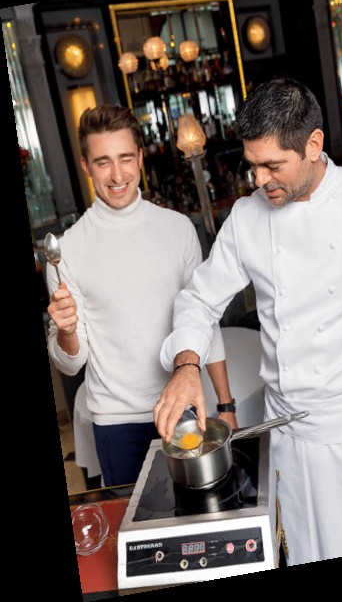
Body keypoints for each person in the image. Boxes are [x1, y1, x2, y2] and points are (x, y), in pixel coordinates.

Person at [154, 78, 342, 566]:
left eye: (272, 165)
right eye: (252, 165)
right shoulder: (246, 217)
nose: (259, 180)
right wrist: (186, 364)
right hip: (286, 439)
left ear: (314, 144)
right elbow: (198, 298)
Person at [46, 104, 236, 488]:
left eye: (125, 158)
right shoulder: (67, 251)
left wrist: (225, 403)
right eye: (103, 162)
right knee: (135, 522)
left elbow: (204, 321)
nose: (117, 176)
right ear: (86, 166)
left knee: (196, 514)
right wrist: (65, 331)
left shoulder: (178, 229)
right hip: (116, 421)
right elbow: (71, 363)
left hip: (182, 405)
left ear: (140, 157)